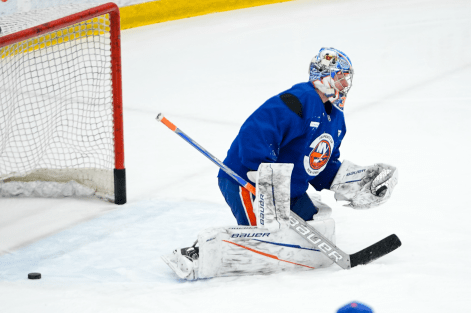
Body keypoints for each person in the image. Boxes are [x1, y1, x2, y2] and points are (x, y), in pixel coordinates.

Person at [162, 47, 398, 280]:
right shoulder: (297, 101)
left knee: (309, 227)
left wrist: (355, 182)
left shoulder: (336, 120)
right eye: (340, 78)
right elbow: (255, 132)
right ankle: (196, 253)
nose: (345, 85)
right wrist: (265, 177)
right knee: (267, 238)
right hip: (246, 181)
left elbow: (318, 165)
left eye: (347, 78)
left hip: (287, 190)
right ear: (323, 76)